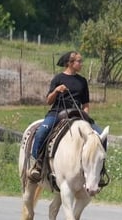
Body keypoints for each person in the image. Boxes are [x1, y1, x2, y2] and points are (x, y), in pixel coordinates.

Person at [28, 50, 105, 182]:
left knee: (101, 134)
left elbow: (85, 104)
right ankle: (38, 164)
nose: (81, 64)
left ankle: (100, 170)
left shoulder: (82, 81)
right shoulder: (58, 78)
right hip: (58, 112)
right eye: (79, 61)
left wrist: (85, 116)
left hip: (77, 113)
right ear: (69, 63)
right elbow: (49, 101)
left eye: (81, 61)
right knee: (42, 132)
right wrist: (57, 91)